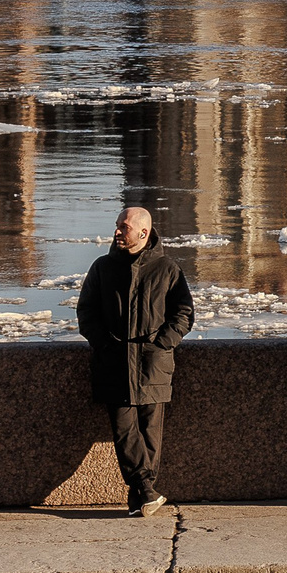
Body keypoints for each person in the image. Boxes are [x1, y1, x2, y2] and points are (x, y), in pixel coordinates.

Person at [74, 205, 194, 518]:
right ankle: (147, 489)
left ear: (143, 233)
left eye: (123, 227)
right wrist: (102, 343)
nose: (116, 231)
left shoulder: (167, 268)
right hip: (113, 362)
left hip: (153, 364)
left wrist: (162, 342)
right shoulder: (102, 267)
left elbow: (184, 312)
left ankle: (139, 498)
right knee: (125, 431)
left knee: (151, 436)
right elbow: (86, 312)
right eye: (117, 225)